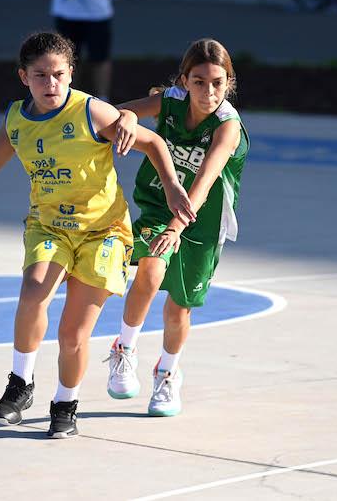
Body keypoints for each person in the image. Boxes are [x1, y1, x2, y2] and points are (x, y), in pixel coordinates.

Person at [0, 32, 196, 438]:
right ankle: (20, 384)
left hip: (104, 233)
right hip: (49, 226)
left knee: (72, 334)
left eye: (59, 75)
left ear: (71, 74)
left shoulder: (91, 113)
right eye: (40, 75)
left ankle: (65, 404)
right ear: (23, 77)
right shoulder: (16, 118)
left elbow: (152, 142)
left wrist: (170, 186)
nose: (51, 85)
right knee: (33, 289)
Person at [103, 38, 250, 417]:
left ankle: (167, 372)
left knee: (178, 310)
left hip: (201, 220)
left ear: (228, 83)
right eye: (199, 81)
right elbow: (117, 114)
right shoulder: (169, 102)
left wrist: (177, 227)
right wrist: (130, 117)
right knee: (149, 274)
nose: (209, 91)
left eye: (218, 82)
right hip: (157, 206)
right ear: (185, 81)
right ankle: (124, 348)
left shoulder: (227, 127)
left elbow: (203, 183)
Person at [48, 0, 123, 101]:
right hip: (66, 12)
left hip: (97, 13)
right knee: (66, 58)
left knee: (100, 57)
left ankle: (103, 99)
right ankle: (67, 98)